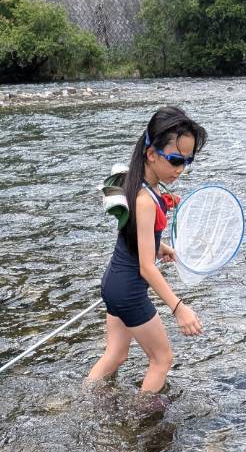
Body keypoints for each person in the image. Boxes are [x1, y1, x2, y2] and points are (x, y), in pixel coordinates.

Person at [86, 106, 207, 394]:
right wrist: (178, 308)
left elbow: (134, 235)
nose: (180, 169)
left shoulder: (139, 184)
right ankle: (143, 417)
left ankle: (84, 399)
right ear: (151, 154)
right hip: (129, 290)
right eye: (175, 160)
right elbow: (145, 268)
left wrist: (158, 246)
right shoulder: (145, 200)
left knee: (116, 354)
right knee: (162, 359)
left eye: (187, 161)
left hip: (113, 283)